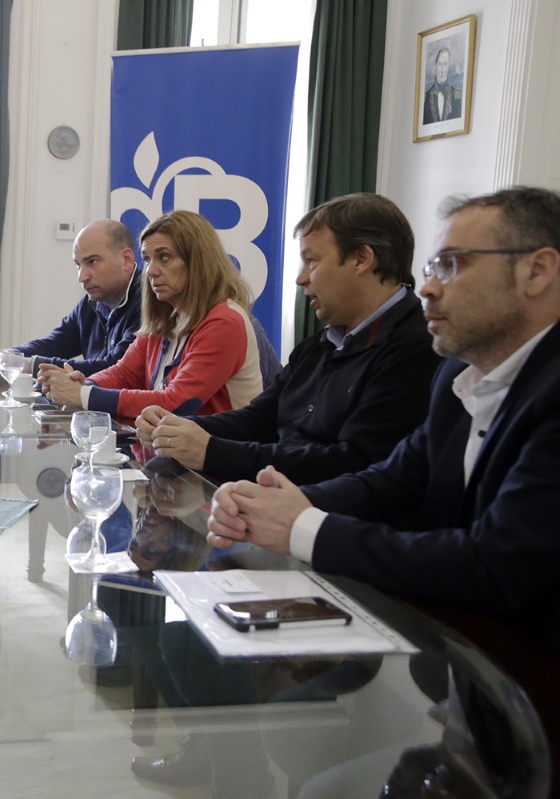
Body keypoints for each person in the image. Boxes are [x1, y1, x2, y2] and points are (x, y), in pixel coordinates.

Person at [207, 186, 560, 648]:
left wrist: (304, 527)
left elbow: (497, 568)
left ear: (536, 271)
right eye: (433, 268)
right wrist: (271, 505)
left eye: (452, 265)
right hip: (445, 640)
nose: (428, 287)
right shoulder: (458, 374)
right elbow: (392, 481)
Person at [137, 193, 442, 484]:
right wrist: (177, 427)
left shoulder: (416, 350)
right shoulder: (319, 345)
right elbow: (260, 419)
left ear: (361, 259)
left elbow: (353, 464)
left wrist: (211, 451)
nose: (300, 278)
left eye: (312, 261)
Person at [38, 211, 264, 425]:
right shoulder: (165, 315)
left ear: (198, 262)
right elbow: (124, 373)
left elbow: (176, 403)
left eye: (164, 258)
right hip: (166, 445)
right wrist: (85, 383)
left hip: (217, 451)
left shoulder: (225, 321)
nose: (151, 271)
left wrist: (83, 394)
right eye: (147, 259)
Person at [0, 219, 142, 377]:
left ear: (126, 259)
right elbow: (54, 344)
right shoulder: (91, 302)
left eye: (92, 262)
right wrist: (8, 355)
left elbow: (115, 369)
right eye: (78, 265)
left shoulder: (147, 303)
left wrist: (26, 365)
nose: (82, 277)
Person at [423, 47, 461, 124]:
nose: (442, 70)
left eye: (445, 64)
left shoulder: (457, 96)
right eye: (440, 64)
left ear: (448, 65)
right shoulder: (425, 98)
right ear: (436, 65)